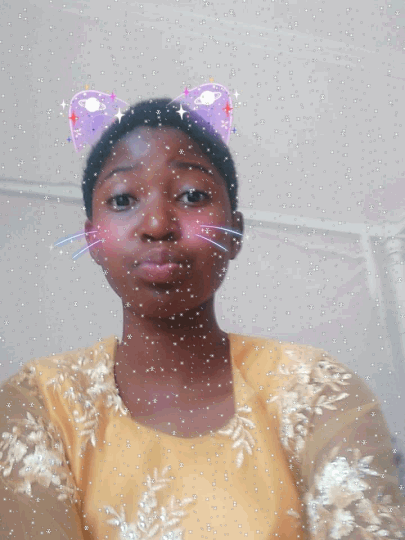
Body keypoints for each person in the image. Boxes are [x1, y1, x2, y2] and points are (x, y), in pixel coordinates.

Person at [1, 97, 404, 540]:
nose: (157, 224)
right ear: (92, 239)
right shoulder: (40, 402)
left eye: (192, 195)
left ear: (236, 232)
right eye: (123, 199)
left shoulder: (317, 391)